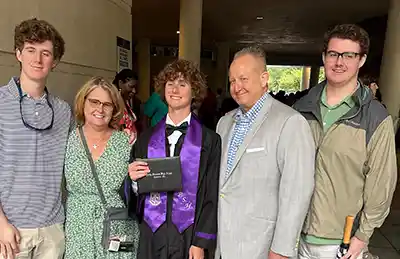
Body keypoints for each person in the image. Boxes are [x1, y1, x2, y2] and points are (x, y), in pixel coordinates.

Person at [293, 24, 397, 259]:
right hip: (296, 235)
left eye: (349, 55)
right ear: (324, 57)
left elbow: (381, 184)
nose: (339, 62)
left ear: (361, 60)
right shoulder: (302, 108)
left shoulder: (375, 118)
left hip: (341, 241)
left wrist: (363, 236)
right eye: (333, 54)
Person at [215, 46, 315, 259]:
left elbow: (297, 191)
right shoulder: (224, 123)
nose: (236, 87)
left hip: (261, 245)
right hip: (224, 242)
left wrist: (282, 248)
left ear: (264, 78)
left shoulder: (290, 122)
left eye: (243, 78)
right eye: (232, 81)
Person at [123, 59, 221, 259]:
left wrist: (200, 242)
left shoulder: (209, 141)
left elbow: (211, 193)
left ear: (194, 91)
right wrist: (133, 181)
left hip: (189, 235)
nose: (175, 89)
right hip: (152, 234)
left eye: (182, 84)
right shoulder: (146, 139)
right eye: (170, 84)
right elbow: (134, 198)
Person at [0, 18, 71, 259]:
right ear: (18, 53)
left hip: (52, 231)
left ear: (55, 61)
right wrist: (1, 224)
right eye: (30, 50)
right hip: (10, 231)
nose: (37, 59)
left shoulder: (63, 111)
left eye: (45, 53)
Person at [64, 76, 139, 258]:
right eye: (94, 102)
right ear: (83, 102)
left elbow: (139, 190)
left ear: (114, 109)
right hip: (78, 228)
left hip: (118, 225)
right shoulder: (68, 138)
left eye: (107, 104)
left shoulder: (126, 141)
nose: (100, 109)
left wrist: (134, 178)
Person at [113, 69, 139, 135]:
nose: (134, 91)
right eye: (131, 87)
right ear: (120, 83)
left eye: (135, 87)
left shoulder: (126, 101)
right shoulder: (114, 103)